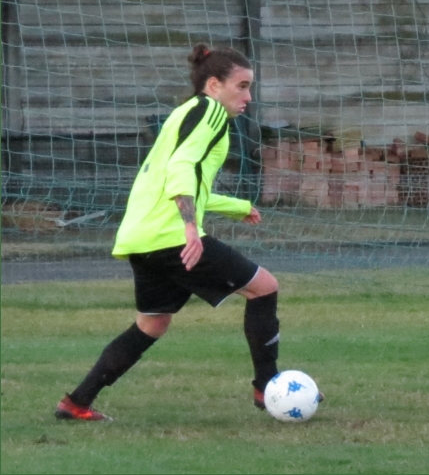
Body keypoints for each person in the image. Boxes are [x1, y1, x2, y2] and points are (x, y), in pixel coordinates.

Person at [55, 43, 320, 421]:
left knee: (152, 323)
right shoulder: (210, 111)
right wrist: (191, 228)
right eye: (242, 86)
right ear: (213, 85)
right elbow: (181, 167)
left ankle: (77, 403)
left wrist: (237, 206)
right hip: (172, 236)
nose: (248, 97)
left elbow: (183, 181)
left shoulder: (185, 113)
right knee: (264, 287)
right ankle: (267, 386)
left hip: (141, 237)